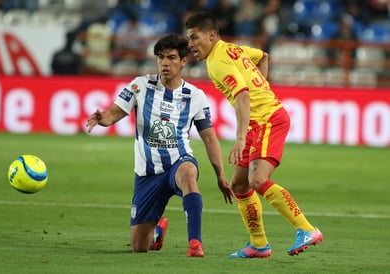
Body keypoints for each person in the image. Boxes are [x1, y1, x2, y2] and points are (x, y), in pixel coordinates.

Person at [185, 11, 323, 258]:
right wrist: (264, 89)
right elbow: (263, 56)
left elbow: (243, 96)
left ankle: (307, 229)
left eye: (195, 37)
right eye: (189, 39)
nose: (191, 44)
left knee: (257, 179)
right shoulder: (232, 49)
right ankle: (259, 245)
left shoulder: (217, 62)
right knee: (239, 184)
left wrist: (239, 138)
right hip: (256, 123)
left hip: (268, 120)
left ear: (212, 35)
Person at [86, 34, 233, 257]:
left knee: (189, 174)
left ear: (183, 61)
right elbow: (113, 114)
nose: (165, 62)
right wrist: (101, 118)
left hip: (178, 161)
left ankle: (195, 243)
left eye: (172, 57)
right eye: (161, 57)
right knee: (138, 246)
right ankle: (156, 232)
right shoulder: (140, 85)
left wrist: (220, 174)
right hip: (147, 173)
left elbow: (209, 137)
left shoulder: (195, 96)